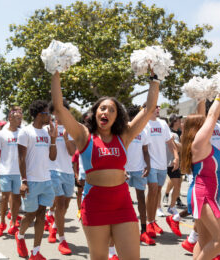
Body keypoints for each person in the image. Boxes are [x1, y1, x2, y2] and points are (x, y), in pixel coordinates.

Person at [51, 70, 161, 260]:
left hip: (122, 204)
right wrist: (56, 72)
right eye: (103, 108)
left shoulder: (124, 136)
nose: (106, 112)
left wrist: (155, 79)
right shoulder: (83, 135)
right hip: (95, 205)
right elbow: (60, 108)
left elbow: (149, 108)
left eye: (112, 110)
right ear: (95, 113)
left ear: (117, 116)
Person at [15, 100, 57, 259]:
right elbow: (21, 158)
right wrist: (24, 181)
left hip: (46, 180)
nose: (50, 117)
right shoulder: (25, 132)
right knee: (31, 215)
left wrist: (53, 139)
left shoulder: (47, 132)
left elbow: (53, 158)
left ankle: (35, 252)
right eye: (48, 113)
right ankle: (20, 236)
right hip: (31, 181)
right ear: (40, 115)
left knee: (41, 215)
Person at [182, 94, 220, 259]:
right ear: (199, 128)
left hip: (203, 193)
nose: (208, 124)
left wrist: (201, 98)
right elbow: (211, 116)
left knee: (204, 240)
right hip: (203, 194)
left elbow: (206, 116)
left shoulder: (200, 143)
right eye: (202, 123)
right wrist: (218, 95)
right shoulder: (199, 144)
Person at [144, 105, 179, 238]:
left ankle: (153, 221)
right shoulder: (144, 123)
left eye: (158, 107)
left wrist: (176, 157)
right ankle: (148, 222)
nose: (157, 109)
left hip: (162, 165)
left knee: (157, 191)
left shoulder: (163, 124)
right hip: (150, 164)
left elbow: (170, 143)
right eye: (155, 106)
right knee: (152, 190)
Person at [47, 100, 76, 255]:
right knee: (59, 204)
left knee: (65, 206)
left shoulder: (72, 128)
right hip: (53, 171)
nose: (60, 114)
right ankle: (62, 239)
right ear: (53, 112)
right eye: (57, 111)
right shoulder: (47, 128)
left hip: (68, 172)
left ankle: (54, 226)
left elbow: (72, 153)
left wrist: (65, 138)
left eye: (63, 110)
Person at [125, 105, 155, 245]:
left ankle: (143, 231)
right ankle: (122, 231)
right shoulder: (122, 130)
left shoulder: (143, 132)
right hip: (123, 170)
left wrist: (148, 166)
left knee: (141, 199)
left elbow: (145, 151)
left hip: (138, 169)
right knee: (122, 201)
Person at [0, 106, 23, 237]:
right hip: (5, 171)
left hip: (20, 173)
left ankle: (13, 222)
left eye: (21, 118)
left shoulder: (23, 133)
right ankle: (2, 223)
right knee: (4, 198)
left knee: (16, 199)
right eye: (17, 118)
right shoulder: (1, 134)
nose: (19, 120)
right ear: (10, 118)